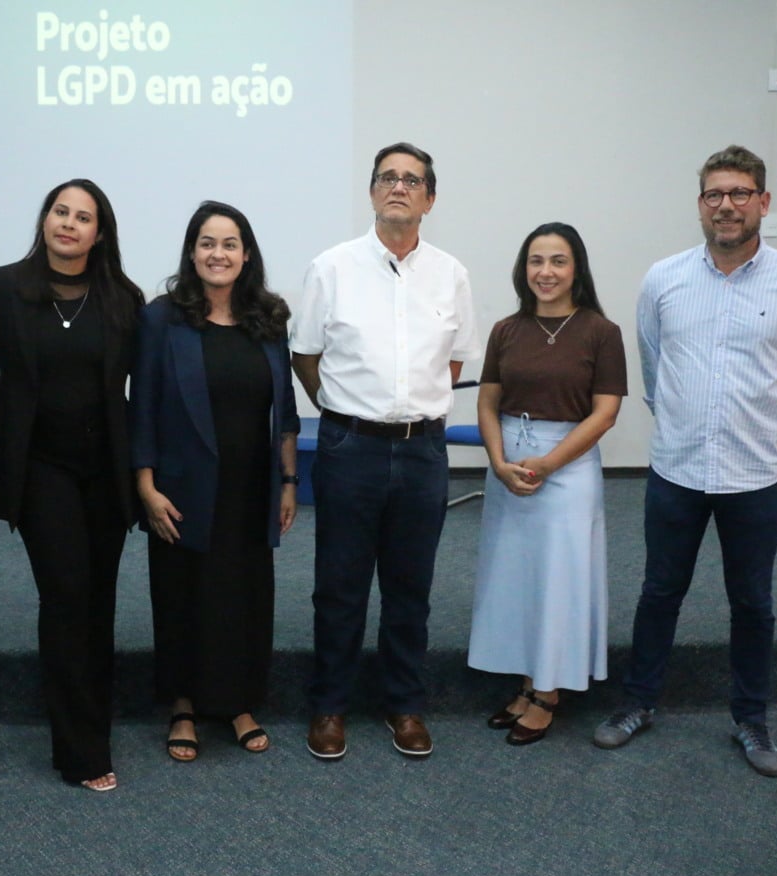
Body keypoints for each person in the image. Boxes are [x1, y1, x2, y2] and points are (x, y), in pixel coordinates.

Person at [593, 145, 777, 777]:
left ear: (763, 202)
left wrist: (770, 432)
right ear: (700, 204)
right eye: (714, 195)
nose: (726, 205)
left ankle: (751, 719)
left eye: (740, 193)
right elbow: (654, 370)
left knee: (752, 602)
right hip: (677, 469)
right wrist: (683, 424)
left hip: (755, 476)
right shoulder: (664, 279)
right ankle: (638, 703)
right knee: (659, 592)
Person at [291, 142, 480, 760]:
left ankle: (404, 704)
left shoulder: (452, 274)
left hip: (423, 451)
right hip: (351, 448)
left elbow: (453, 362)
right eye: (388, 177)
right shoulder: (332, 268)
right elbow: (306, 355)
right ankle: (330, 705)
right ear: (372, 191)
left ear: (430, 198)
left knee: (409, 587)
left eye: (412, 180)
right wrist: (342, 410)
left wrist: (412, 407)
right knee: (339, 587)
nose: (399, 187)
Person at [0, 179, 144, 792]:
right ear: (44, 220)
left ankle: (92, 719)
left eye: (83, 216)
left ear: (100, 233)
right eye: (60, 211)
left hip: (107, 471)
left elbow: (147, 387)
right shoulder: (4, 287)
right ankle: (81, 750)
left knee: (99, 600)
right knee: (67, 595)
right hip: (40, 468)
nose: (69, 223)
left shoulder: (124, 298)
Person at [131, 201, 300, 761]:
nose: (218, 254)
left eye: (229, 244)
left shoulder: (269, 318)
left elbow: (285, 411)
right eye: (207, 243)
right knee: (182, 595)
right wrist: (146, 486)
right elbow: (143, 406)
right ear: (192, 252)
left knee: (244, 595)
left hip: (250, 488)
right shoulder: (162, 319)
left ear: (246, 254)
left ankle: (239, 702)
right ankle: (183, 705)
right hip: (181, 487)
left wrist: (289, 482)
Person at [466, 223, 627, 745]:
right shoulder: (506, 330)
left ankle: (548, 692)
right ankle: (526, 681)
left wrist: (550, 464)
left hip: (568, 466)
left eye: (558, 261)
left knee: (559, 579)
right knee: (516, 577)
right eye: (536, 261)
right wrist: (498, 461)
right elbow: (487, 401)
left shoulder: (601, 332)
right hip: (509, 465)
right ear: (524, 269)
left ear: (576, 269)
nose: (546, 272)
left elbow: (605, 413)